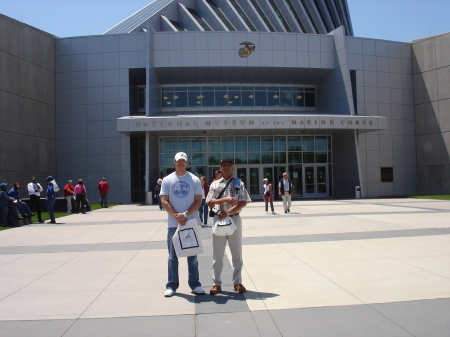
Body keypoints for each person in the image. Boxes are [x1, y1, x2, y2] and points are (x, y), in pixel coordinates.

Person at [159, 152, 205, 297]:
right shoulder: (167, 179)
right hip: (173, 223)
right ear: (174, 162)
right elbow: (164, 200)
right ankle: (171, 285)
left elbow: (198, 200)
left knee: (192, 255)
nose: (181, 163)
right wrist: (176, 216)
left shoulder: (194, 179)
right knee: (172, 255)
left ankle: (195, 284)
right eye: (178, 160)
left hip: (190, 222)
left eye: (183, 161)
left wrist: (185, 214)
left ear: (186, 162)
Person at [206, 158, 251, 295]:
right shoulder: (214, 184)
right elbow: (209, 202)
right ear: (220, 168)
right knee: (217, 254)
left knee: (237, 254)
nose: (226, 167)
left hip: (234, 219)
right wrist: (224, 200)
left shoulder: (239, 183)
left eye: (229, 165)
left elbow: (243, 201)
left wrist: (228, 212)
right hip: (218, 220)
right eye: (224, 165)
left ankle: (237, 282)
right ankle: (216, 283)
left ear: (232, 168)